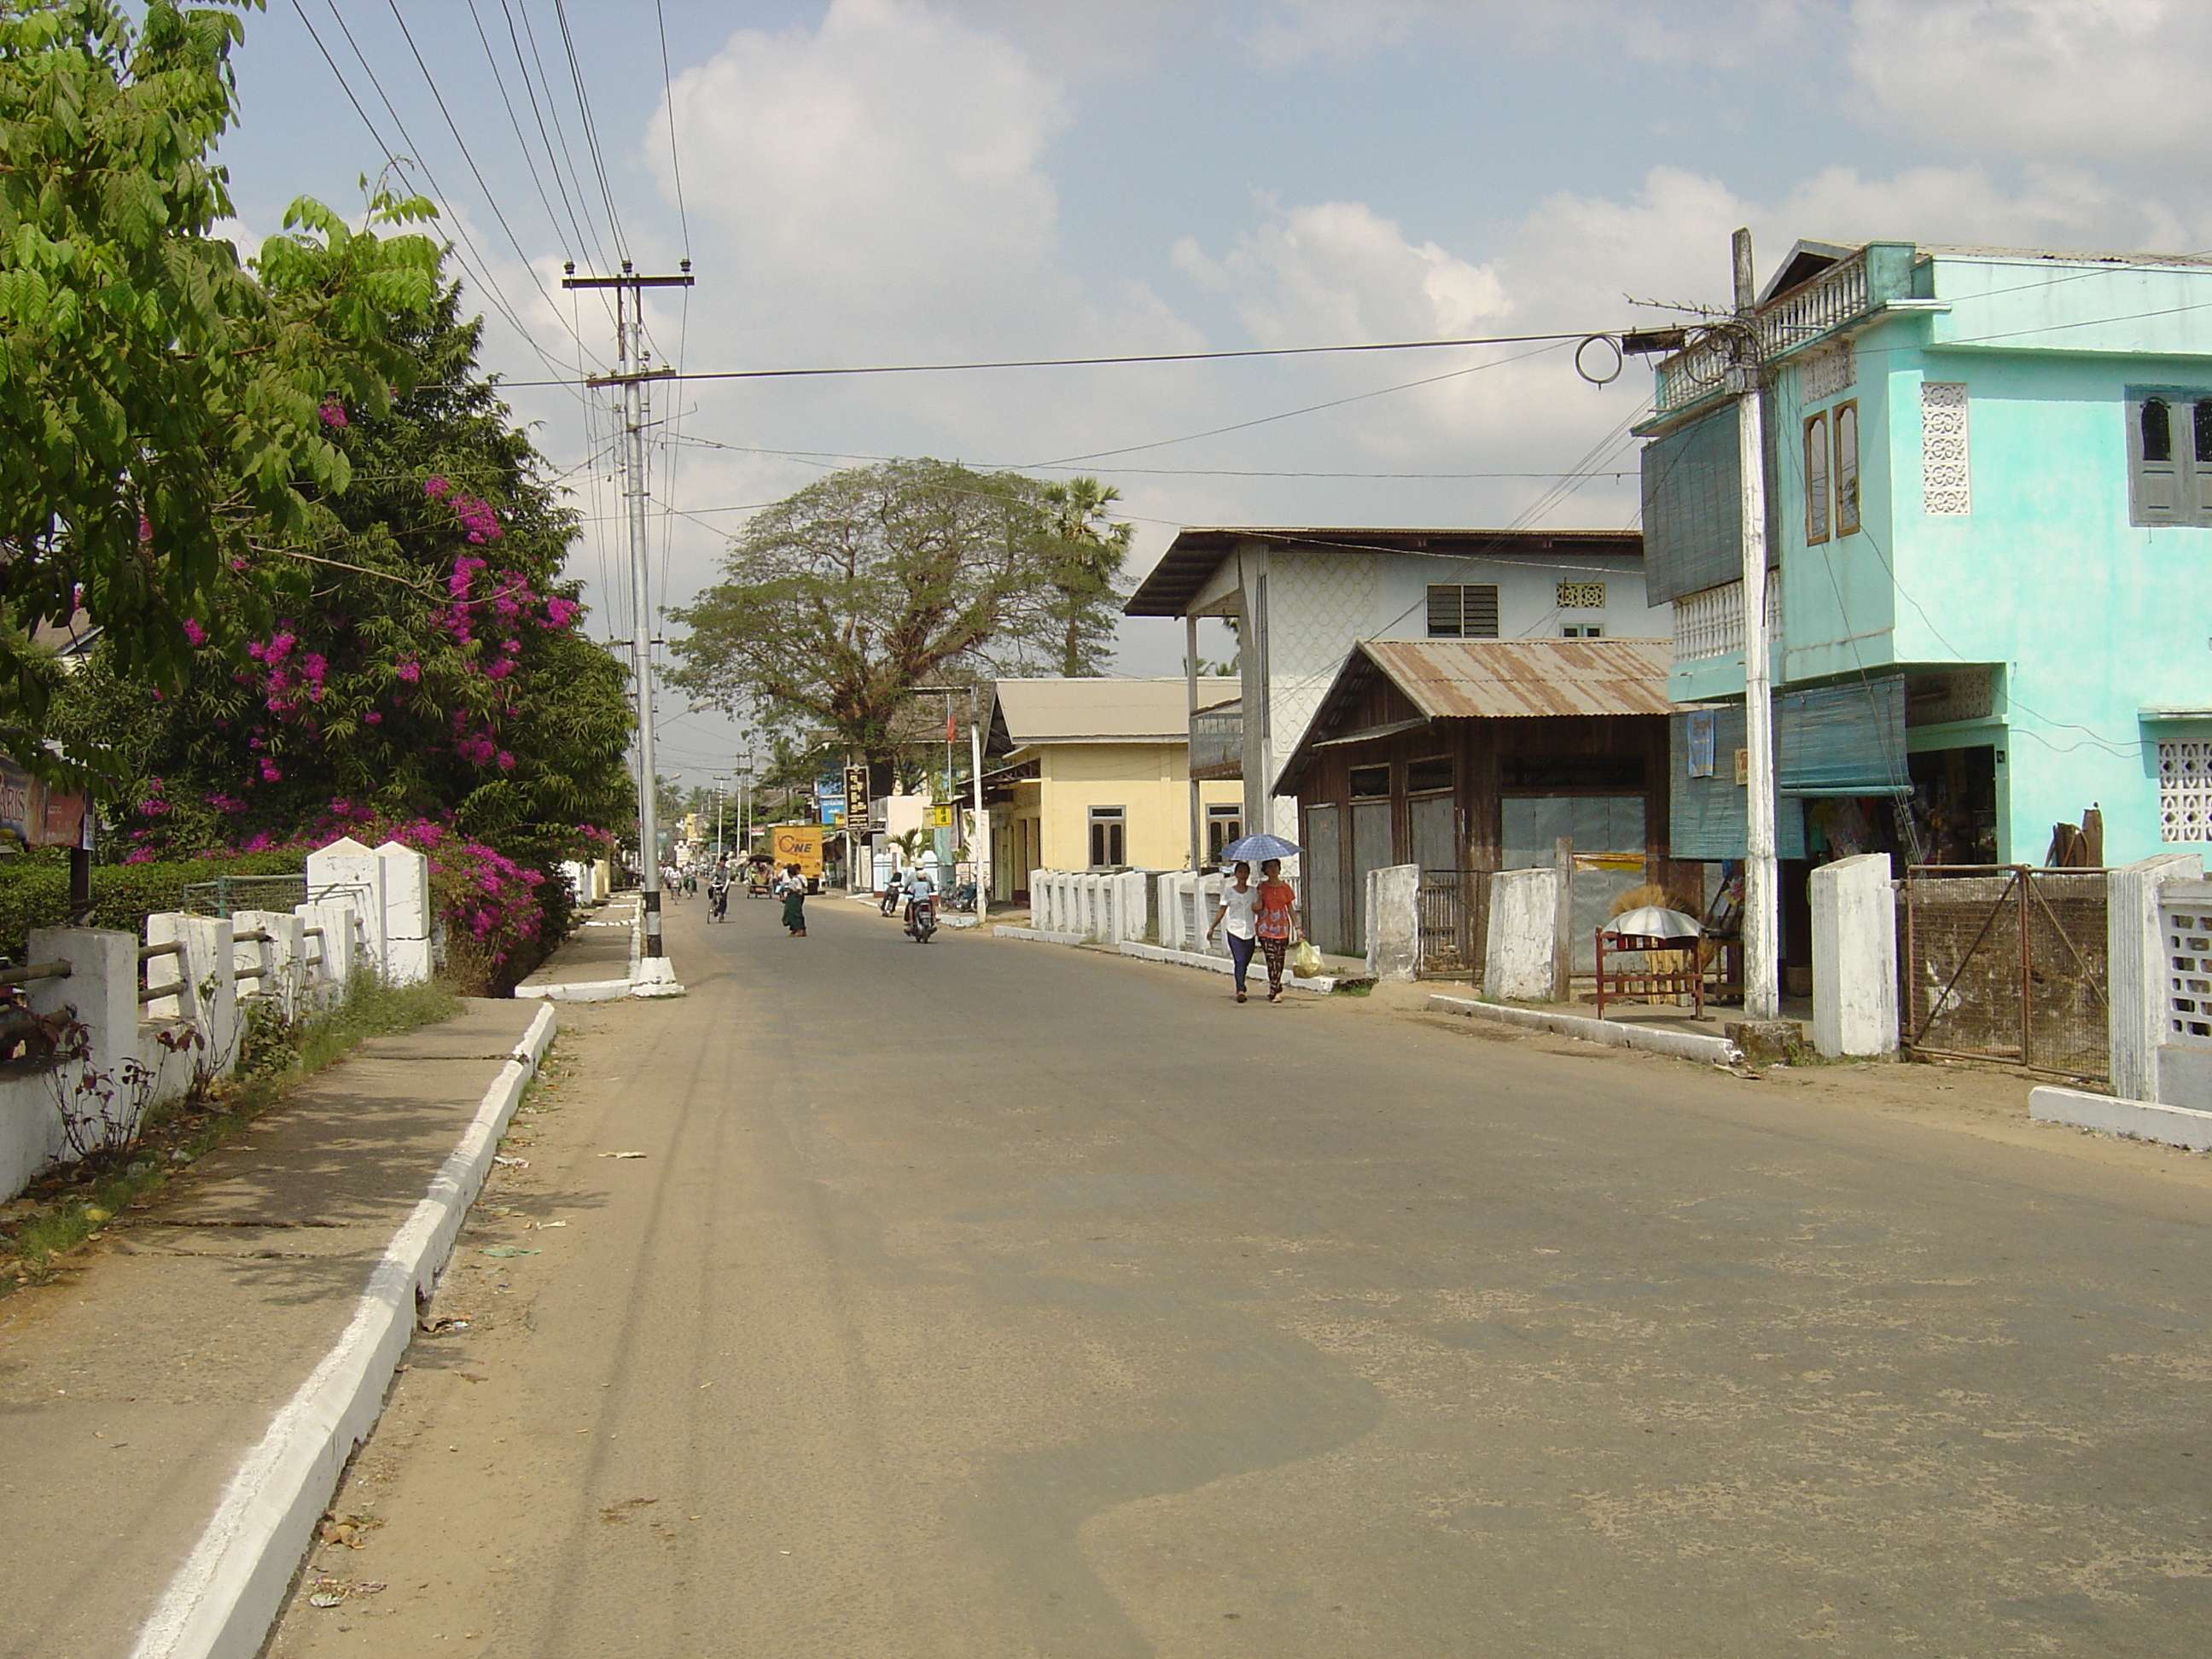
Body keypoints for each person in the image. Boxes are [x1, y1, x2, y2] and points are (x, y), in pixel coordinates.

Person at [1204, 861, 1260, 1003]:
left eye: (1245, 872)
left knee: (1245, 961)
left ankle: (1241, 981)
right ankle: (1240, 989)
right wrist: (1212, 927)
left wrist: (1260, 903)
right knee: (1239, 960)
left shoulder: (1253, 892)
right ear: (1236, 874)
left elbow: (1258, 908)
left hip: (1250, 931)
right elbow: (1222, 911)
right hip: (1234, 931)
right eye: (1240, 872)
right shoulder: (1229, 891)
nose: (1243, 875)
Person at [1253, 858, 1301, 1003]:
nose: (1273, 869)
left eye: (1275, 866)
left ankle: (1274, 987)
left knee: (1279, 961)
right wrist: (1259, 901)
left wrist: (1297, 928)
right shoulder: (1261, 888)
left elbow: (1290, 909)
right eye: (1270, 867)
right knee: (1271, 960)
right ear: (1265, 870)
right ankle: (1275, 992)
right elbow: (1255, 908)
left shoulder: (1285, 888)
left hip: (1282, 929)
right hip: (1265, 929)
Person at [777, 863, 808, 937]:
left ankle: (799, 929)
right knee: (795, 913)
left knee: (795, 913)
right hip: (797, 897)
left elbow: (798, 889)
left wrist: (790, 891)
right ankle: (796, 929)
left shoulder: (795, 880)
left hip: (795, 897)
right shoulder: (799, 878)